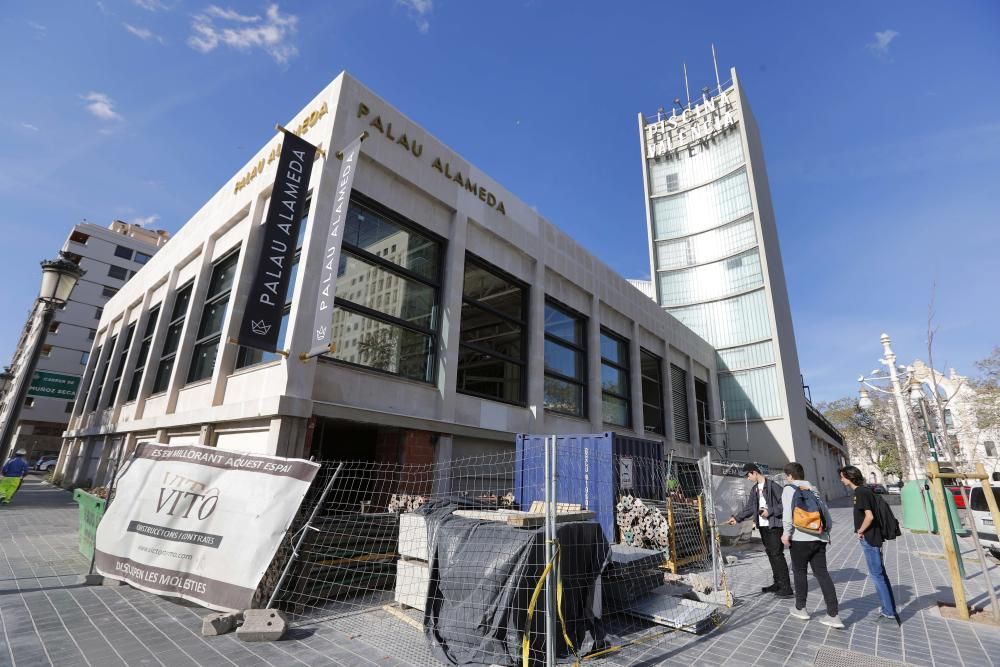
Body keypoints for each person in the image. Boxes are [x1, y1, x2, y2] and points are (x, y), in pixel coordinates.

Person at [781, 462, 843, 628]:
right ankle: (834, 615)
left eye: (786, 476)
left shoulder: (789, 489)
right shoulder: (812, 489)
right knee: (822, 574)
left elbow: (787, 513)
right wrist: (825, 532)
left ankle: (801, 608)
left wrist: (786, 533)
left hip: (800, 539)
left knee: (799, 572)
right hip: (819, 537)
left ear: (790, 476)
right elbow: (826, 513)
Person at [839, 465, 900, 625]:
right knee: (880, 575)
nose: (841, 479)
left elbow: (869, 516)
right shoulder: (863, 491)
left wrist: (860, 530)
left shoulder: (861, 492)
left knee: (877, 576)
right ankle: (889, 609)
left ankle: (889, 613)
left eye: (842, 477)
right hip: (872, 538)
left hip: (870, 538)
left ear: (849, 477)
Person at [726, 463, 792, 597]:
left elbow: (785, 504)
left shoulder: (773, 486)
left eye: (748, 475)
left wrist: (770, 511)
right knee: (771, 553)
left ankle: (786, 587)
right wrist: (736, 518)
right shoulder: (755, 489)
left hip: (774, 525)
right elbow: (750, 508)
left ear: (754, 472)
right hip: (763, 526)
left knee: (777, 555)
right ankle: (777, 583)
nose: (747, 478)